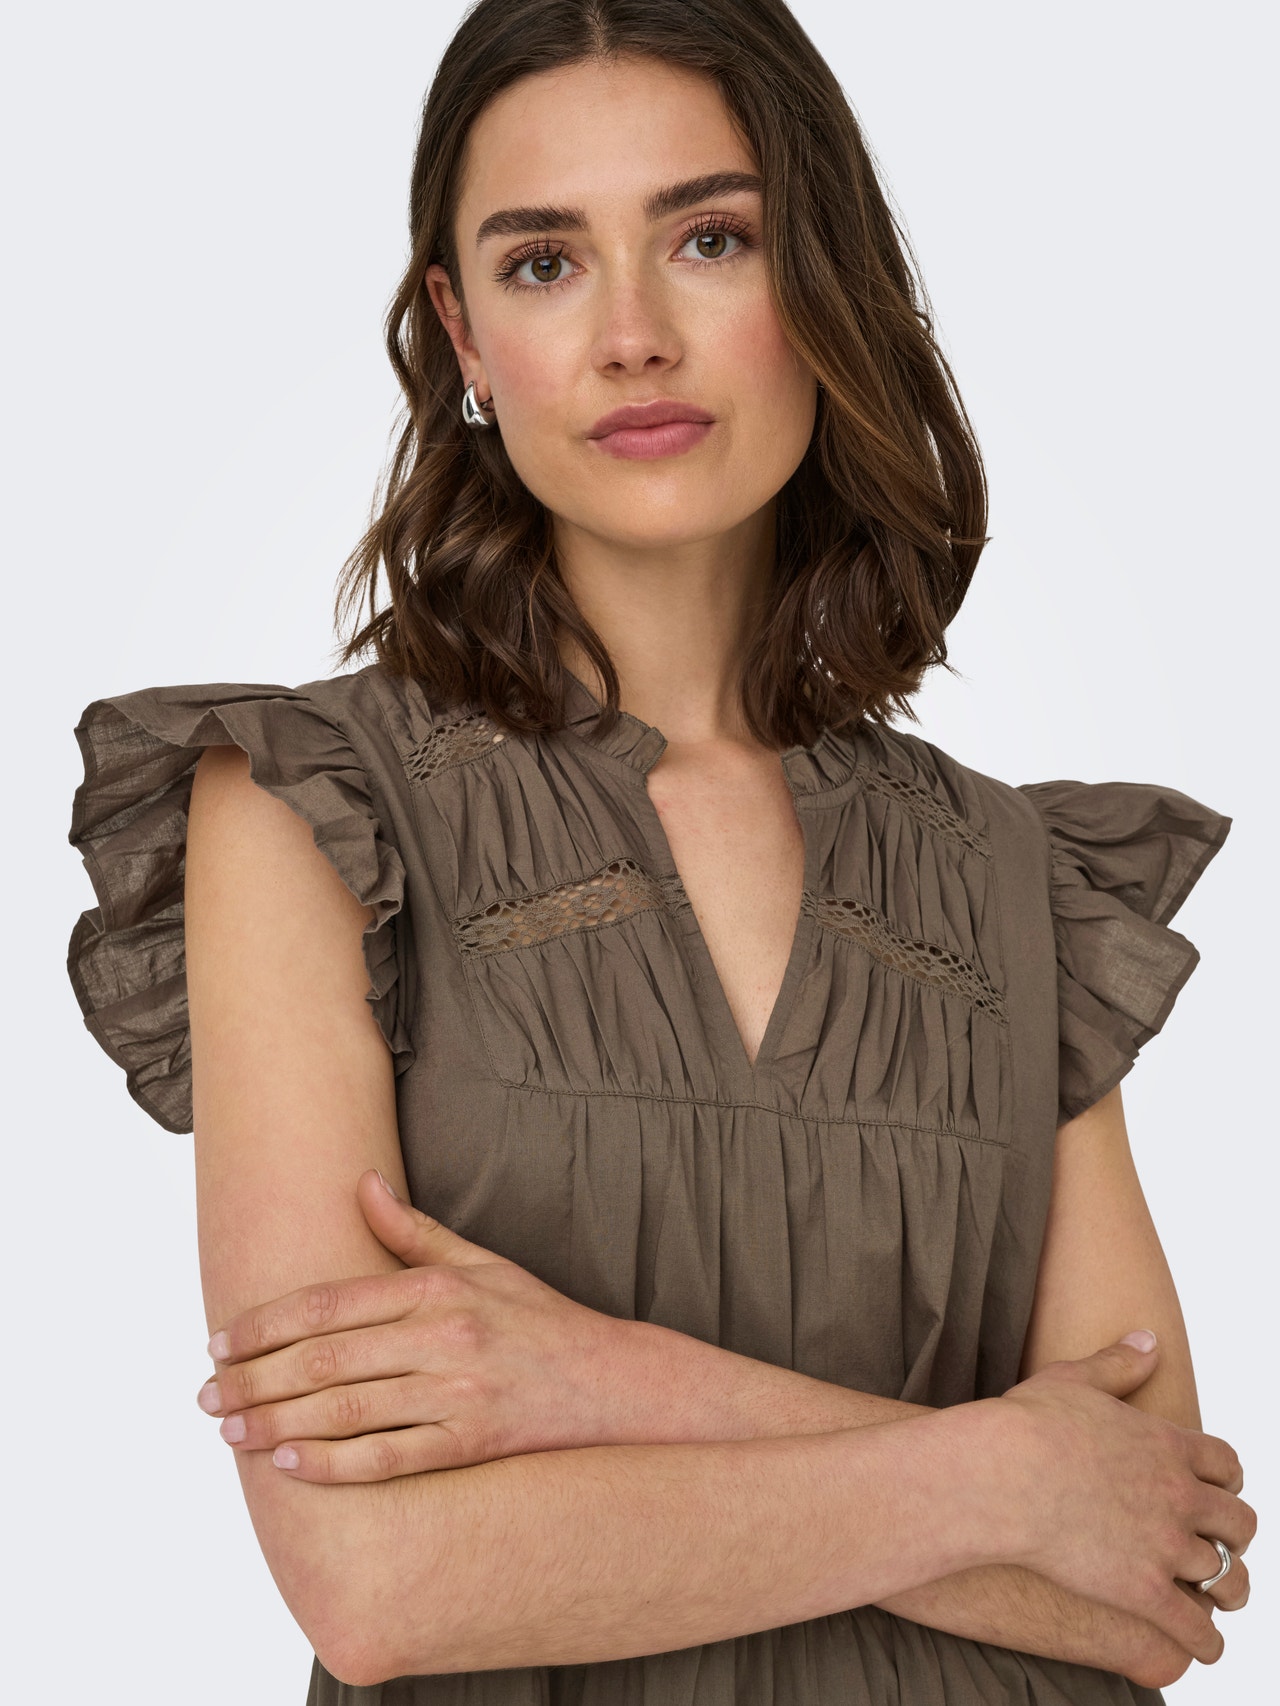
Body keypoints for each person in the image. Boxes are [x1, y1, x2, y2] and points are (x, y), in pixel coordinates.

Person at [65, 1, 1254, 1701]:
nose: (633, 336)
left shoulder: (1016, 875)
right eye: (546, 263)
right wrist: (1004, 1478)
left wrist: (601, 1380)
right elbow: (378, 1584)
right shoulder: (309, 810)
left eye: (709, 239)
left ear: (823, 283)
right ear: (463, 336)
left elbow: (1154, 1576)